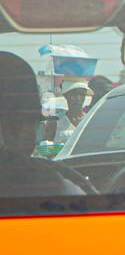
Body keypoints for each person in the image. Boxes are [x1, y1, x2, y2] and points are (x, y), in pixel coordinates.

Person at [0, 52, 85, 196]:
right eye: (31, 121)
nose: (77, 99)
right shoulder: (44, 181)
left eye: (81, 94)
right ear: (18, 127)